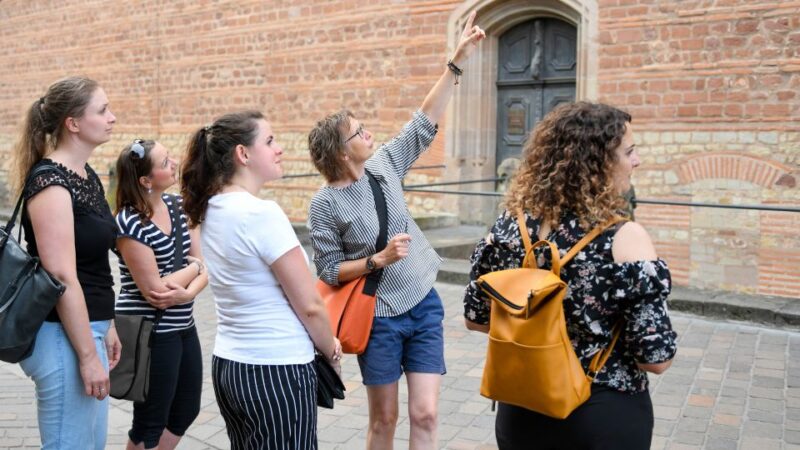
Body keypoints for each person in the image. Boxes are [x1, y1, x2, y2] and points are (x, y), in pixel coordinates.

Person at [306, 12, 485, 450]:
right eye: (358, 132)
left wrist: (456, 62)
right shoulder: (325, 204)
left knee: (425, 414)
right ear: (340, 152)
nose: (369, 133)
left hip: (423, 303)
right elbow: (328, 271)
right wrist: (377, 260)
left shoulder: (384, 166)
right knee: (384, 421)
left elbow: (424, 120)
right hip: (379, 318)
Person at [463, 101, 678, 449]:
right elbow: (655, 358)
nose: (637, 161)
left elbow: (476, 320)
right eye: (630, 151)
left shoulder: (508, 226)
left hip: (521, 409)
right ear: (598, 164)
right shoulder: (623, 238)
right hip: (599, 413)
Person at [180, 110, 342, 450]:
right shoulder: (261, 213)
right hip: (276, 368)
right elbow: (310, 305)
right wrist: (332, 351)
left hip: (230, 366)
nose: (279, 148)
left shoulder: (209, 210)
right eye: (269, 141)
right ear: (243, 154)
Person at [10, 76, 121, 449]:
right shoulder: (51, 182)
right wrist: (88, 356)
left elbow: (93, 265)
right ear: (73, 123)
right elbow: (61, 274)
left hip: (88, 328)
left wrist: (106, 324)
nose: (112, 118)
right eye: (102, 110)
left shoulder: (85, 176)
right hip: (62, 335)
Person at [113, 139, 208, 449]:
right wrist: (194, 271)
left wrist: (185, 293)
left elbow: (204, 267)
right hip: (151, 331)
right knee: (150, 421)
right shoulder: (129, 223)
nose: (174, 165)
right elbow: (155, 290)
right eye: (165, 162)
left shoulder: (181, 206)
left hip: (183, 324)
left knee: (186, 410)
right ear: (145, 180)